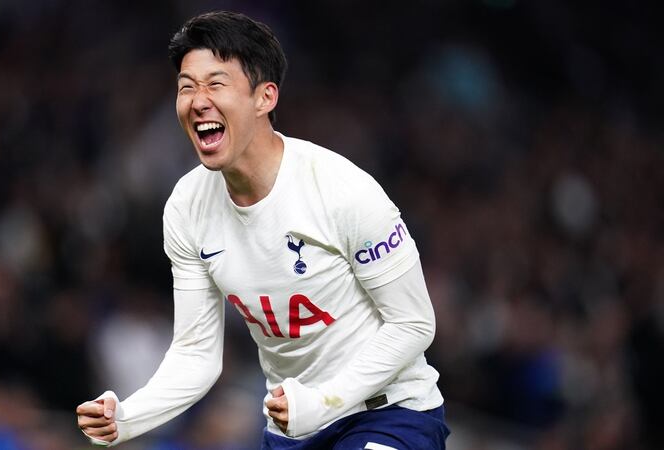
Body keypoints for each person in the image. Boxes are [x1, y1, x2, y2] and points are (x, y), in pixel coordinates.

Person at [76, 10, 450, 449]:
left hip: (390, 414)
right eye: (186, 87)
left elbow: (413, 323)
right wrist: (129, 417)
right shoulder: (186, 207)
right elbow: (197, 354)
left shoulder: (344, 192)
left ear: (264, 97)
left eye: (216, 84)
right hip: (294, 428)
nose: (198, 101)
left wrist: (325, 401)